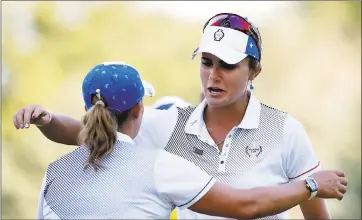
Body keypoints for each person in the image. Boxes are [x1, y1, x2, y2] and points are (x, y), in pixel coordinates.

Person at [14, 14, 347, 219]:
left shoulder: (284, 130)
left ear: (254, 71)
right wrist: (48, 120)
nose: (213, 76)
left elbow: (315, 212)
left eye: (228, 65)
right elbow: (90, 133)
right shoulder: (169, 123)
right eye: (206, 62)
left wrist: (312, 187)